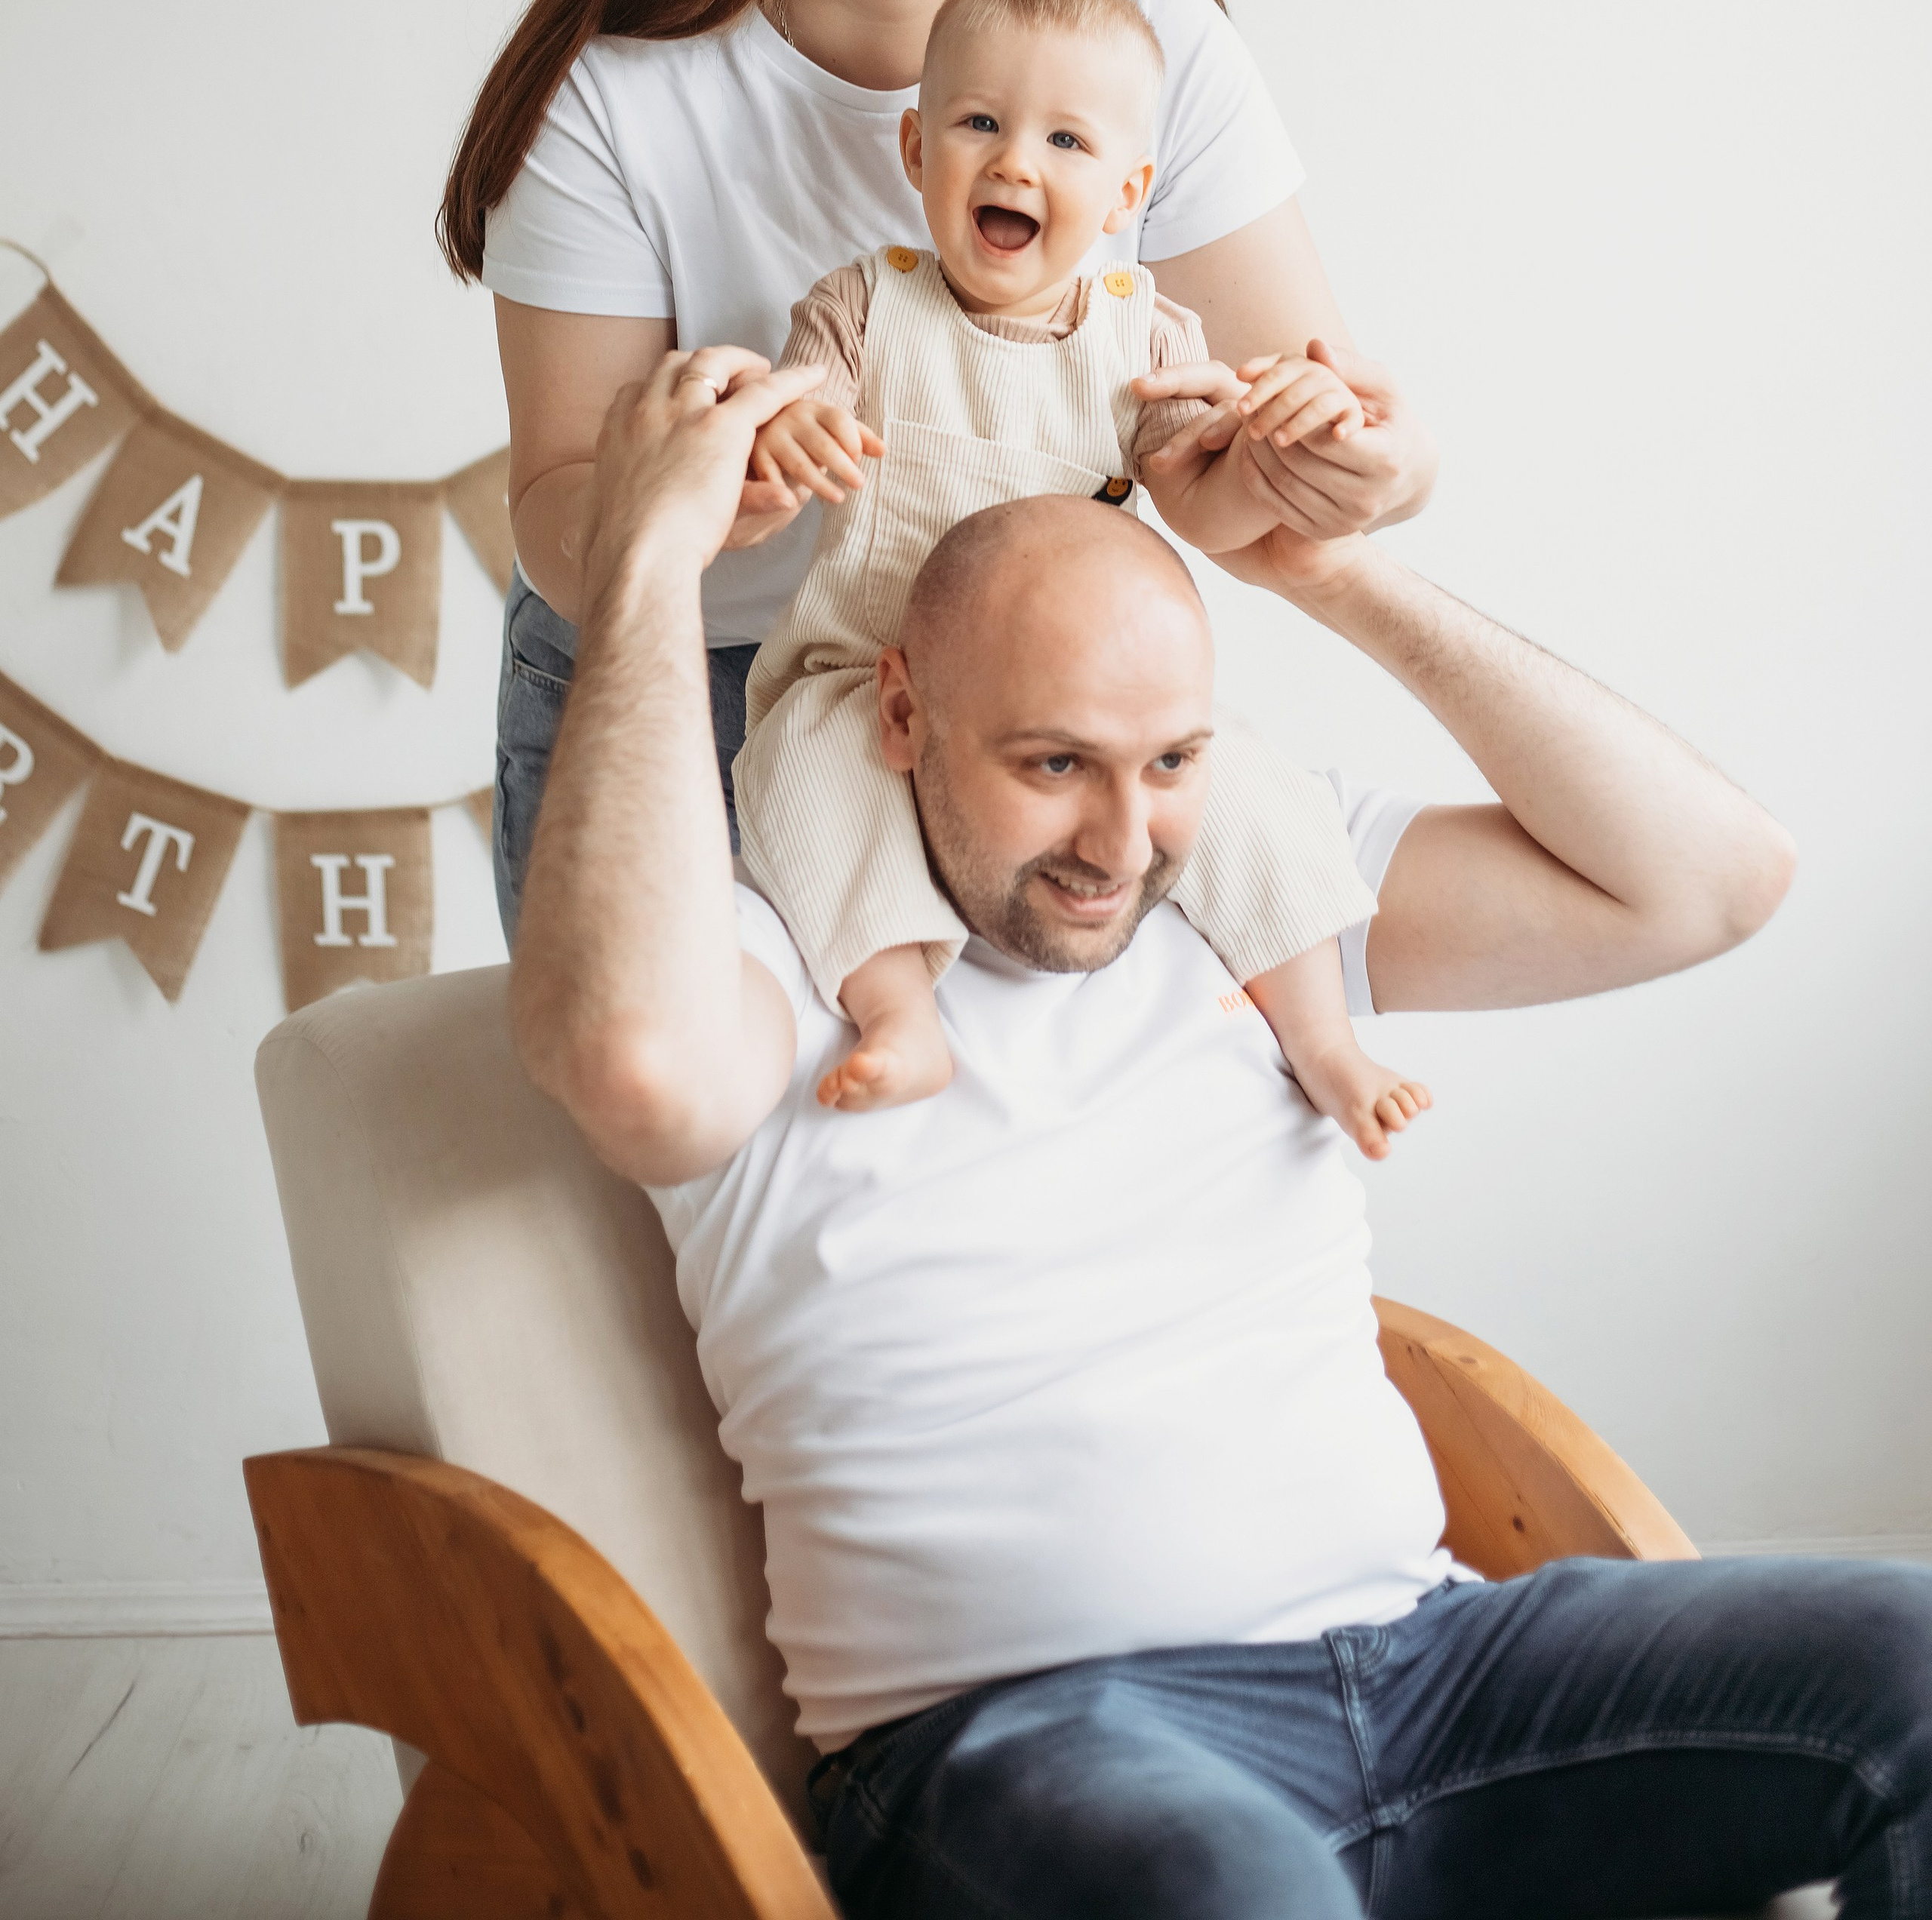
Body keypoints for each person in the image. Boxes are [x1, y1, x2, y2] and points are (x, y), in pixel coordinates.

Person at [510, 347, 1932, 1920]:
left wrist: (1318, 567)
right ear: (902, 714)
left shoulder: (1253, 896)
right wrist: (639, 564)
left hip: (1432, 1670)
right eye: (1053, 766)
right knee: (1233, 1891)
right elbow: (625, 1064)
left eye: (1170, 763)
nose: (1121, 846)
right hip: (1039, 1741)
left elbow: (1708, 880)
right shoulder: (772, 959)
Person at [437, 0, 1436, 939]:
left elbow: (1281, 430)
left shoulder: (1155, 47)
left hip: (1043, 704)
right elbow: (552, 513)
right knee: (665, 1143)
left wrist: (1369, 469)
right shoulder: (612, 101)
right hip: (693, 680)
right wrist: (685, 502)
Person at [735, 0, 1429, 1151]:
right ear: (916, 153)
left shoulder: (1144, 336)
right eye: (981, 125)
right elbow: (803, 399)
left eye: (1067, 142)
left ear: (1126, 193)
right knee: (800, 775)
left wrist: (1265, 440)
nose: (1016, 162)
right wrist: (789, 424)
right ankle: (897, 1013)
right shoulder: (864, 308)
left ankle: (1324, 1039)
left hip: (1086, 714)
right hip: (870, 671)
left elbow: (1203, 506)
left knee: (1249, 793)